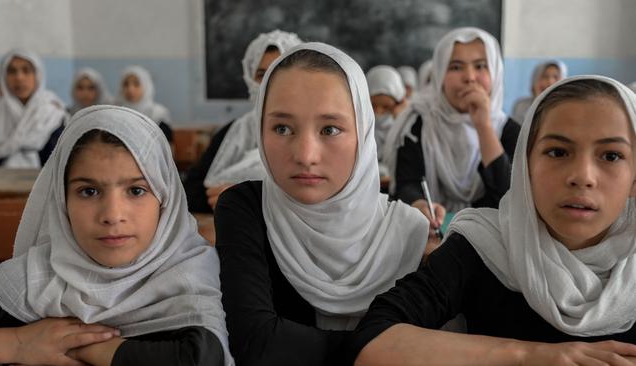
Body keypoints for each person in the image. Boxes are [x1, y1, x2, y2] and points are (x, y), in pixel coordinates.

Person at [347, 75, 636, 366]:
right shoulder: (483, 246)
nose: (582, 177)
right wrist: (529, 354)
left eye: (611, 156)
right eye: (557, 152)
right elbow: (372, 342)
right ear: (525, 165)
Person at [215, 42, 431, 366]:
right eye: (282, 128)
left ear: (363, 132)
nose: (305, 155)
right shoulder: (245, 208)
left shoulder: (409, 234)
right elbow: (257, 342)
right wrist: (389, 352)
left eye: (330, 129)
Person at [0, 105, 232, 366]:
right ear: (62, 202)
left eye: (136, 191)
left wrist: (86, 349)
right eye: (88, 191)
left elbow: (202, 359)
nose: (113, 215)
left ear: (165, 199)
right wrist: (15, 343)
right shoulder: (34, 279)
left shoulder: (193, 276)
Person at [391, 27, 520, 234]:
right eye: (456, 67)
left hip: (494, 239)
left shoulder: (510, 131)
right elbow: (406, 184)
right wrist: (419, 204)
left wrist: (484, 126)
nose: (469, 77)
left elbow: (510, 197)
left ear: (495, 73)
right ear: (440, 74)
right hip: (431, 235)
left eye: (480, 66)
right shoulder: (418, 125)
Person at [184, 29, 301, 213]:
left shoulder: (310, 132)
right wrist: (226, 198)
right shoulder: (233, 131)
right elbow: (191, 191)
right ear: (249, 78)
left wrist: (242, 196)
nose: (268, 83)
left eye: (278, 71)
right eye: (261, 74)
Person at [0, 49, 67, 167]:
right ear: (4, 77)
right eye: (12, 71)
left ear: (38, 75)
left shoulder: (53, 114)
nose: (19, 77)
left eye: (26, 70)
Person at [365, 65, 409, 178]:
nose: (378, 112)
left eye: (386, 107)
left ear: (399, 102)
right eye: (373, 105)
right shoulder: (357, 125)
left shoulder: (405, 124)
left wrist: (402, 120)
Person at [117, 65, 173, 143]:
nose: (130, 89)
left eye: (136, 84)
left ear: (146, 86)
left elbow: (167, 148)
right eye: (126, 84)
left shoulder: (158, 114)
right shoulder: (116, 112)